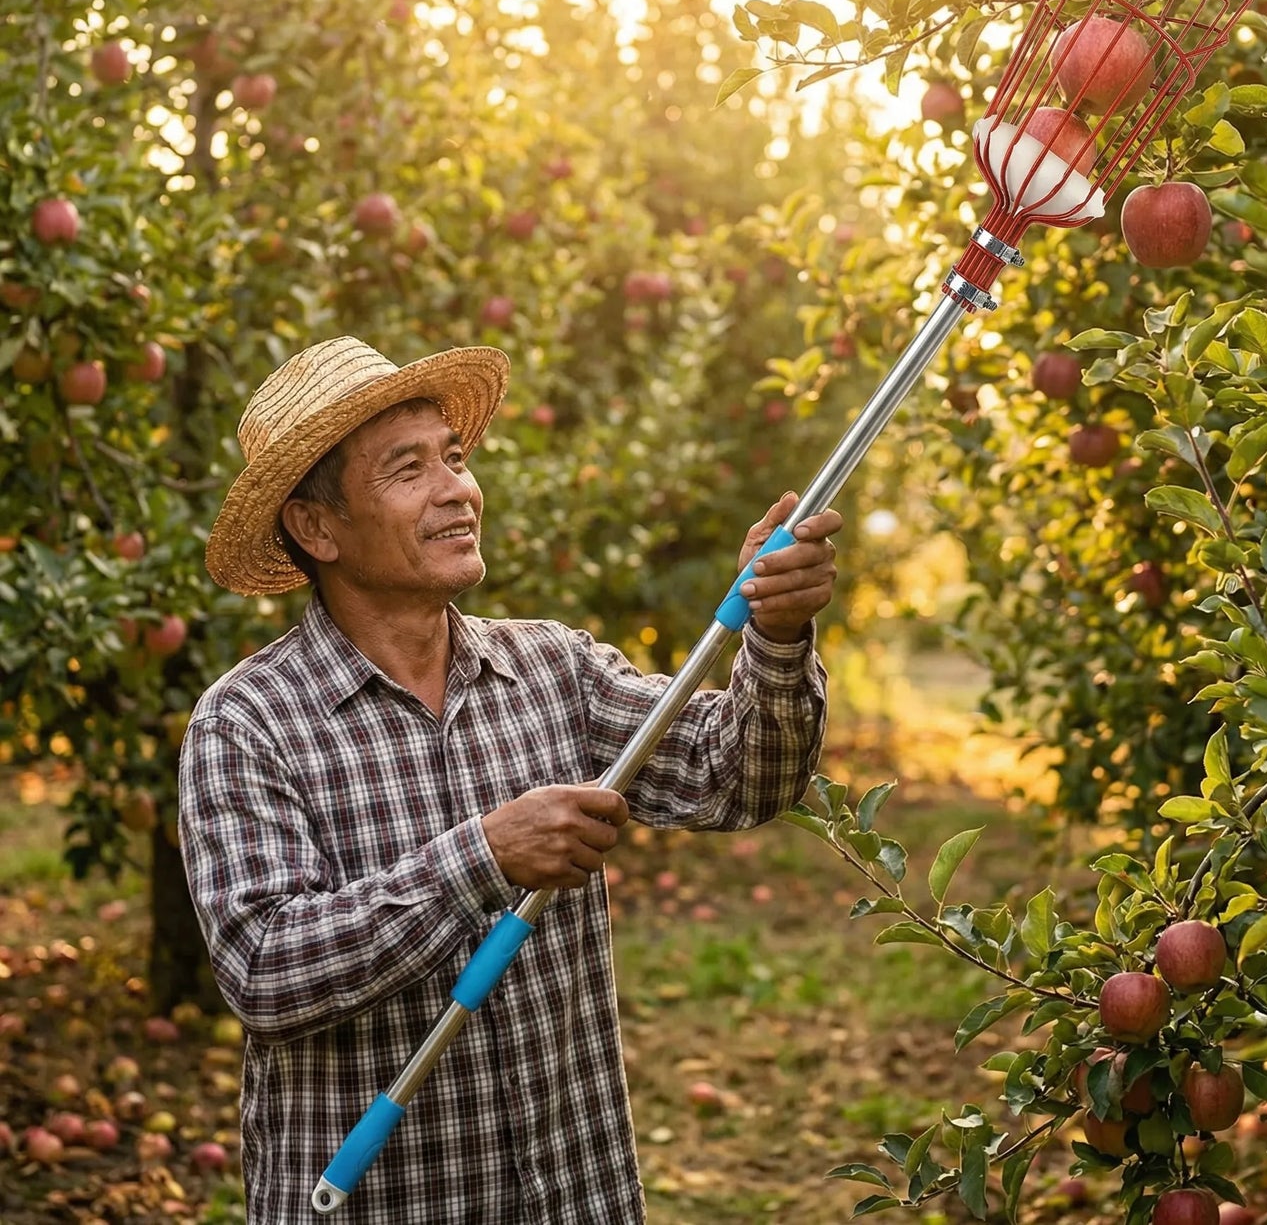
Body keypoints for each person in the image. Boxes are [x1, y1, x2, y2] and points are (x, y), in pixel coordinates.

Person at [178, 335, 841, 1223]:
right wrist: (482, 858)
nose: (456, 488)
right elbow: (264, 969)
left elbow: (742, 776)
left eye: (454, 457)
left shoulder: (553, 670)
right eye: (407, 468)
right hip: (386, 1201)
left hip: (571, 1192)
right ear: (316, 527)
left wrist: (775, 632)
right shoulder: (249, 720)